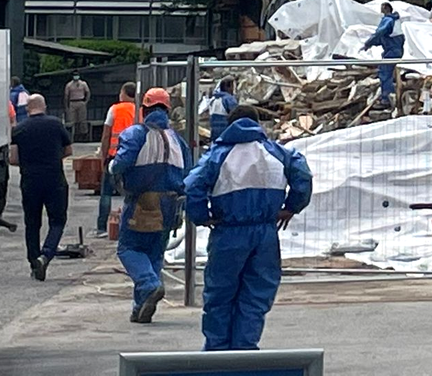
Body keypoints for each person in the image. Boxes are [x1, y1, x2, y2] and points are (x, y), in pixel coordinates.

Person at [185, 104, 312, 351]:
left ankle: (217, 352)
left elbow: (192, 186)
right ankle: (246, 350)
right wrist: (291, 207)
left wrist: (202, 217)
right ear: (257, 124)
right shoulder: (278, 153)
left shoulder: (217, 155)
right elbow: (303, 175)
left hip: (228, 232)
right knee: (256, 294)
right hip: (265, 233)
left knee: (220, 295)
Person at [109, 88, 192, 324]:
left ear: (144, 109)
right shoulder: (178, 140)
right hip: (171, 204)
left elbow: (121, 162)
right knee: (154, 252)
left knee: (130, 249)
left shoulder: (136, 134)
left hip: (142, 201)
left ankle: (150, 285)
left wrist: (112, 167)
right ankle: (140, 306)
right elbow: (188, 171)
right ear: (167, 110)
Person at [9, 94, 71, 281]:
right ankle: (46, 255)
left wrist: (29, 163)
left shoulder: (19, 130)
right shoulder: (56, 124)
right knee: (57, 221)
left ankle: (34, 261)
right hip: (54, 179)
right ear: (44, 106)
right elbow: (68, 150)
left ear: (28, 108)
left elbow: (12, 159)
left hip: (30, 181)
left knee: (32, 222)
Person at [96, 82, 141, 237]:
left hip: (114, 155)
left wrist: (103, 155)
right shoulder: (139, 111)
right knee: (131, 192)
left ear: (123, 94)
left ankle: (102, 228)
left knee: (107, 192)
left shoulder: (114, 109)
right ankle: (131, 225)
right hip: (134, 157)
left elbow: (106, 134)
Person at [363, 3, 405, 109]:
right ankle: (390, 97)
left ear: (386, 9)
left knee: (385, 73)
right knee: (387, 72)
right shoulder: (395, 21)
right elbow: (385, 38)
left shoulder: (388, 20)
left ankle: (386, 99)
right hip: (395, 50)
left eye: (382, 8)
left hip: (392, 51)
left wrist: (368, 43)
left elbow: (379, 33)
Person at [0, 99, 18, 232]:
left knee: (0, 185)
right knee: (0, 186)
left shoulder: (5, 103)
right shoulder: (5, 103)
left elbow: (12, 122)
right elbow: (13, 122)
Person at [209, 77, 238, 142]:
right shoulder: (229, 99)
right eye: (233, 86)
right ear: (228, 87)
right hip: (227, 133)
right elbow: (236, 115)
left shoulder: (214, 99)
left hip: (215, 133)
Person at [63, 72, 91, 139]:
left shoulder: (83, 84)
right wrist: (66, 106)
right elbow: (66, 96)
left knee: (82, 119)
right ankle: (73, 135)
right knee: (72, 120)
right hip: (72, 102)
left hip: (81, 101)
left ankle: (84, 135)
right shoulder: (69, 85)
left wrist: (86, 101)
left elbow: (88, 92)